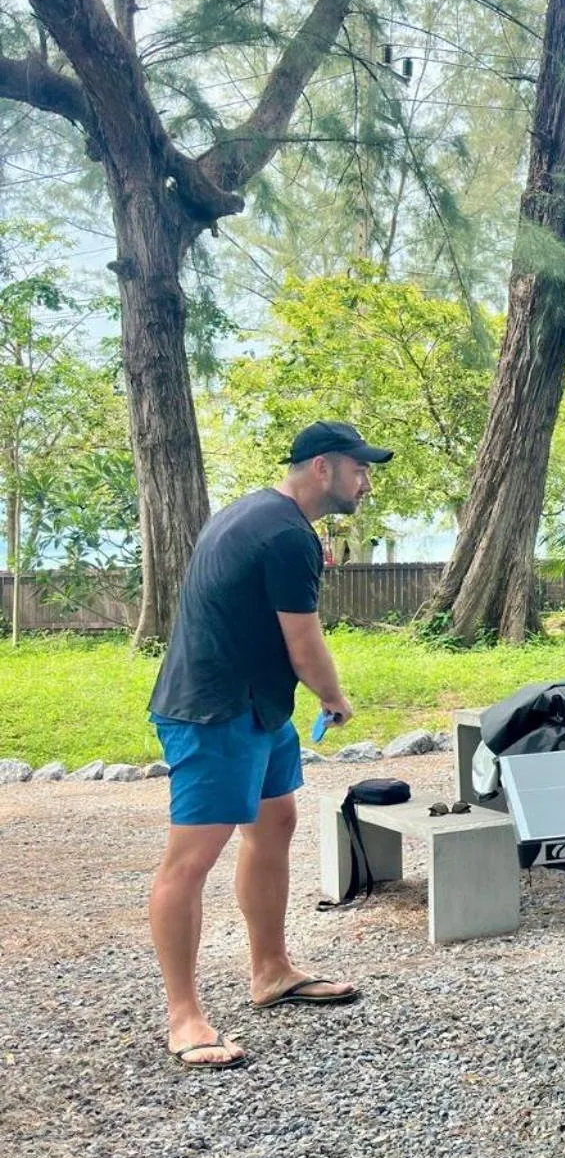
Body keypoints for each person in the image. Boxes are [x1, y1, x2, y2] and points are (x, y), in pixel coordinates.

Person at [146, 420, 391, 1069]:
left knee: (274, 820)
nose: (365, 480)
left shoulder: (258, 512)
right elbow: (303, 641)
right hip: (215, 709)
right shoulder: (287, 535)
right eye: (357, 468)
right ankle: (184, 1017)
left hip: (257, 704)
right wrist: (334, 698)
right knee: (190, 860)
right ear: (321, 468)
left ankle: (271, 969)